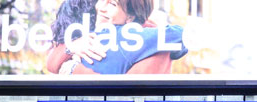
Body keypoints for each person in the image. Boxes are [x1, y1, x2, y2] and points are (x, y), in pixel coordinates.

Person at [46, 0, 188, 76]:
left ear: (130, 17)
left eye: (112, 4)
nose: (101, 7)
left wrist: (71, 69)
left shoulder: (132, 39)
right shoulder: (90, 37)